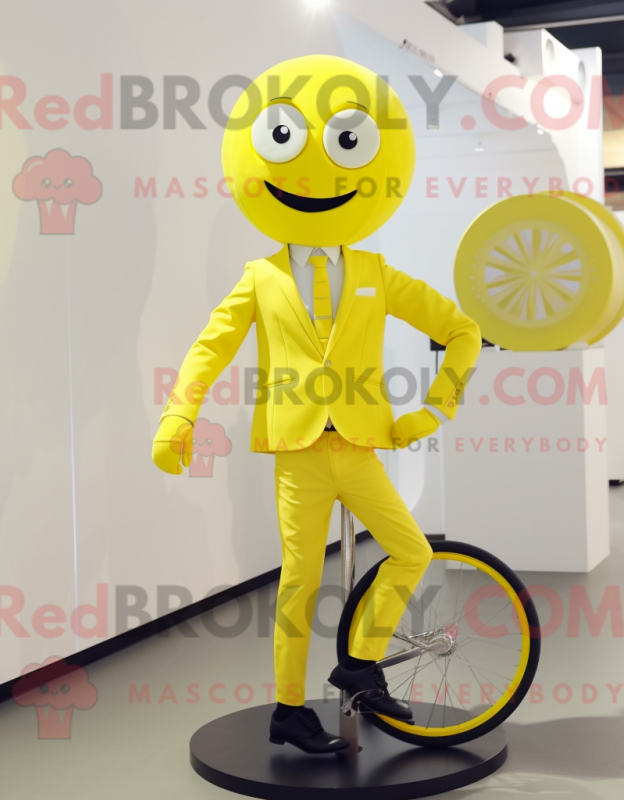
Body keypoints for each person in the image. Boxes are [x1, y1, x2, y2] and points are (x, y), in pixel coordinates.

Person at [151, 55, 481, 754]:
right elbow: (209, 346)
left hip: (358, 443)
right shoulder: (261, 277)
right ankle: (289, 710)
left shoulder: (375, 273)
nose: (315, 180)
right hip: (300, 452)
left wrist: (435, 407)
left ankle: (360, 662)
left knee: (410, 551)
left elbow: (461, 330)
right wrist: (180, 412)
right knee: (298, 583)